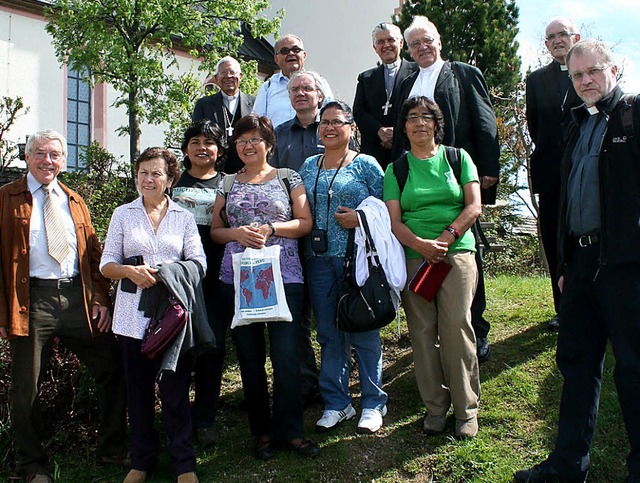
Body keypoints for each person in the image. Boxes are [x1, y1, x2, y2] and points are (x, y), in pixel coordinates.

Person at [515, 39, 640, 483]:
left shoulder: (633, 114)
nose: (586, 81)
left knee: (634, 369)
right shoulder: (575, 126)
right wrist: (565, 268)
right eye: (577, 75)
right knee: (577, 366)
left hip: (627, 268)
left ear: (614, 69)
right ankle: (566, 467)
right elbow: (567, 201)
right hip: (581, 268)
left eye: (593, 71)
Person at [0, 130, 127, 483]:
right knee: (26, 388)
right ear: (27, 157)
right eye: (40, 153)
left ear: (64, 160)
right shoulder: (6, 198)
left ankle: (111, 449)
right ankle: (31, 465)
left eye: (55, 154)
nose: (48, 160)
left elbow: (92, 256)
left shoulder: (74, 200)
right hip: (30, 303)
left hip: (77, 300)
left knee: (113, 366)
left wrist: (100, 298)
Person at [210, 114, 319, 460]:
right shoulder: (226, 183)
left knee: (287, 356)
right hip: (240, 279)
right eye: (242, 140)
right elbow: (215, 231)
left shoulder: (289, 177)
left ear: (269, 145)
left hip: (284, 276)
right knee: (250, 356)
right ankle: (261, 432)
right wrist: (237, 233)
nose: (248, 146)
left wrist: (271, 228)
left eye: (256, 139)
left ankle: (291, 430)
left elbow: (304, 223)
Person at [391, 15, 500, 362]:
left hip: (455, 175)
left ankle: (475, 329)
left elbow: (484, 121)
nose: (422, 48)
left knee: (466, 256)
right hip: (415, 176)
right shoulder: (405, 81)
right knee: (422, 258)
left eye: (427, 41)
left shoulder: (464, 73)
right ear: (408, 50)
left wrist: (488, 171)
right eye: (415, 44)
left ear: (439, 42)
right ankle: (437, 332)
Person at [101, 147, 207, 483]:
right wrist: (130, 273)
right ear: (136, 177)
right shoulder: (123, 214)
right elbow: (106, 265)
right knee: (139, 390)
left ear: (170, 179)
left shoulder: (183, 217)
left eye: (156, 173)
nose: (149, 179)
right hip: (132, 317)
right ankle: (142, 460)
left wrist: (168, 272)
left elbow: (199, 263)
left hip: (172, 318)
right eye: (144, 172)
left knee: (175, 391)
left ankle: (183, 462)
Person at [385, 96, 481, 438]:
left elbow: (474, 206)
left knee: (456, 328)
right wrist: (421, 246)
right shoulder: (396, 169)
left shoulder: (457, 158)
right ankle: (435, 409)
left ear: (436, 123)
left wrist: (446, 237)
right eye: (412, 117)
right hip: (415, 257)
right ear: (404, 126)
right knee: (423, 334)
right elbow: (395, 223)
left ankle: (466, 411)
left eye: (426, 116)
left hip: (456, 253)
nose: (419, 123)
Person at [299, 101, 388, 435]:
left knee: (364, 329)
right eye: (324, 122)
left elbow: (385, 211)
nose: (330, 128)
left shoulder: (366, 165)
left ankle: (373, 402)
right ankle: (337, 402)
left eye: (337, 122)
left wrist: (360, 218)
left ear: (352, 128)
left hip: (358, 261)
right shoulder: (308, 165)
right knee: (329, 333)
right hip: (318, 261)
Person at [172, 120, 226, 447]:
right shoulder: (171, 181)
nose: (202, 147)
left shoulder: (228, 183)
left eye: (209, 141)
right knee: (178, 348)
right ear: (186, 148)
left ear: (219, 149)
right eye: (195, 141)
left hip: (218, 277)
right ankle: (178, 418)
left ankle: (205, 417)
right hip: (179, 278)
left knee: (213, 348)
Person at [526, 17, 581, 332]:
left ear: (574, 37)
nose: (558, 40)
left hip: (584, 170)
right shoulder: (536, 80)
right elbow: (535, 126)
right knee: (554, 240)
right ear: (546, 45)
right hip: (550, 173)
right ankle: (563, 309)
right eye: (551, 37)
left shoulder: (586, 71)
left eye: (563, 34)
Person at [353, 22, 417, 170]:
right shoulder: (366, 78)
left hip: (409, 149)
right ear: (375, 48)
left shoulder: (416, 71)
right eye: (380, 42)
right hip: (375, 153)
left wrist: (398, 133)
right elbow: (359, 111)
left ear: (401, 43)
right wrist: (379, 131)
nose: (386, 45)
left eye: (390, 40)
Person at [253, 34, 333, 128]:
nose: (291, 53)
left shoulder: (319, 83)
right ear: (276, 59)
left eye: (296, 50)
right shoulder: (267, 87)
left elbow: (332, 114)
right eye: (284, 51)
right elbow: (257, 123)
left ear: (304, 55)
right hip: (278, 141)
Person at [192, 56, 255, 173]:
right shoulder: (204, 104)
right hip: (213, 169)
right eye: (223, 73)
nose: (228, 76)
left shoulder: (254, 103)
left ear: (240, 76)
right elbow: (196, 136)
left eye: (232, 72)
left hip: (246, 169)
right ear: (216, 78)